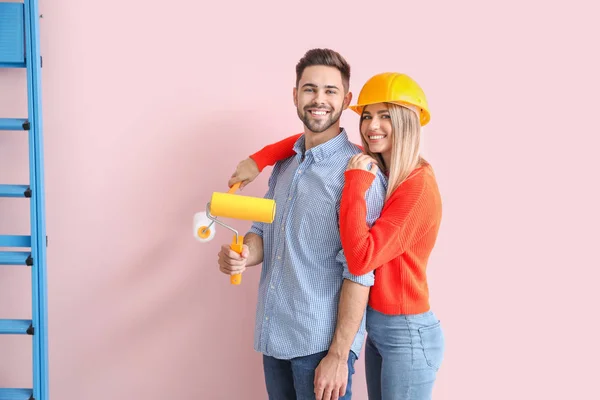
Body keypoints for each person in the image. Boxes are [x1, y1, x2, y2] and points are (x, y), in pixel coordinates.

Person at [228, 72, 445, 400]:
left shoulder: (415, 186)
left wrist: (356, 183)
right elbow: (311, 142)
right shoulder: (382, 168)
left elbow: (360, 260)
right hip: (379, 327)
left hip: (407, 330)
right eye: (368, 115)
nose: (372, 125)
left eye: (386, 116)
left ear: (409, 122)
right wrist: (261, 159)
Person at [217, 48, 388, 400]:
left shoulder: (360, 172)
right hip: (274, 334)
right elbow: (264, 229)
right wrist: (244, 255)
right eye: (310, 89)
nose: (319, 100)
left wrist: (339, 355)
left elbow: (360, 271)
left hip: (320, 347)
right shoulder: (286, 164)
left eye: (330, 91)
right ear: (295, 96)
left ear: (346, 100)